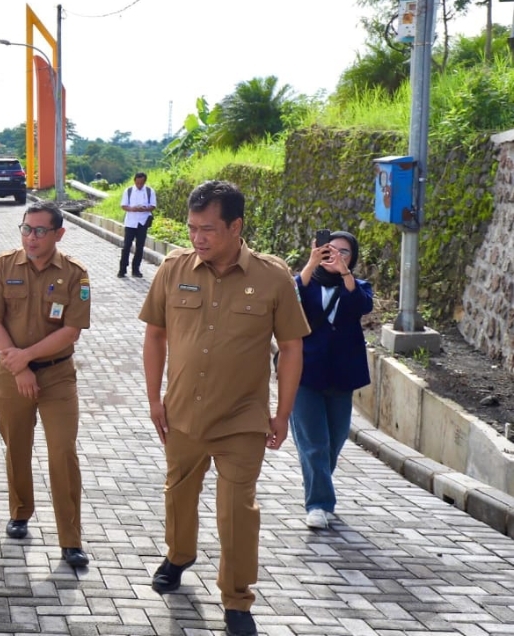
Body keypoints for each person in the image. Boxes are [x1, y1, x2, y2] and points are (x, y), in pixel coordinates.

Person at [139, 180, 310, 636]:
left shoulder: (272, 277)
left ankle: (237, 600)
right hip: (184, 415)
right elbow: (154, 335)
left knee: (237, 510)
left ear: (236, 226)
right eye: (194, 228)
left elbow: (291, 347)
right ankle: (179, 555)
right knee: (178, 495)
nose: (198, 237)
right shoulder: (173, 270)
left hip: (243, 419)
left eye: (208, 229)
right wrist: (154, 398)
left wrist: (283, 412)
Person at [0, 200, 92, 569]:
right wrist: (18, 364)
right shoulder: (3, 267)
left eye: (40, 231)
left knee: (62, 452)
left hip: (57, 376)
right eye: (26, 229)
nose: (31, 237)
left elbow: (71, 331)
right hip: (13, 374)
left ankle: (70, 539)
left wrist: (28, 358)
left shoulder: (75, 274)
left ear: (59, 233)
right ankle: (20, 512)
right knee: (17, 447)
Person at [291, 230, 373, 529]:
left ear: (353, 258)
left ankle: (319, 492)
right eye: (329, 249)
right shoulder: (305, 283)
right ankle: (319, 503)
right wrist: (311, 264)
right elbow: (289, 298)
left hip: (342, 373)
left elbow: (362, 306)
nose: (335, 255)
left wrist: (345, 273)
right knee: (315, 443)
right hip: (305, 372)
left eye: (344, 252)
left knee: (334, 441)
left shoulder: (358, 286)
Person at [119, 172, 156, 278]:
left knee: (140, 247)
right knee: (126, 246)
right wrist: (133, 209)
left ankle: (136, 269)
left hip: (143, 222)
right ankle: (122, 269)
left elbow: (153, 206)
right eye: (138, 183)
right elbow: (124, 205)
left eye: (141, 183)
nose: (139, 185)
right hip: (130, 222)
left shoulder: (149, 191)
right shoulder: (129, 191)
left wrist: (144, 208)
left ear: (144, 182)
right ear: (135, 181)